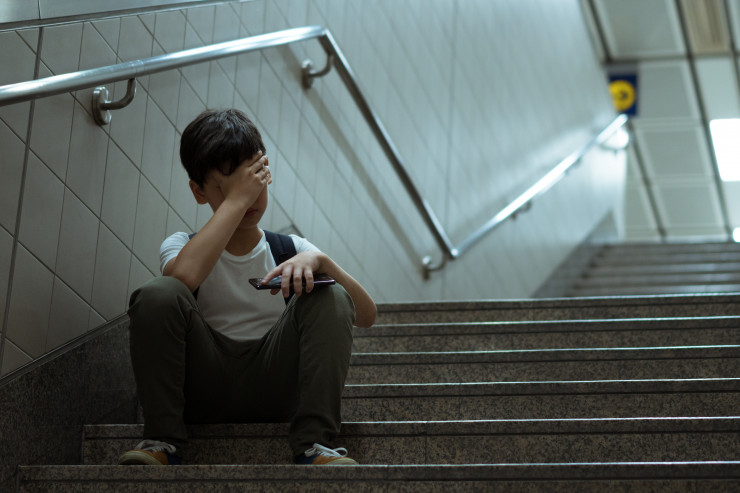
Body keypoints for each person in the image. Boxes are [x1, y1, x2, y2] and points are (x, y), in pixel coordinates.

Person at [118, 108, 377, 466]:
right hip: (202, 390)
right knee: (159, 293)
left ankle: (313, 444)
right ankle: (162, 441)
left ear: (265, 174)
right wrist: (239, 198)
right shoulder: (180, 246)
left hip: (275, 388)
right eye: (228, 187)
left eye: (253, 183)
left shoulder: (291, 249)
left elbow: (366, 315)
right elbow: (183, 279)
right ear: (198, 191)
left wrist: (321, 261)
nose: (249, 198)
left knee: (329, 292)